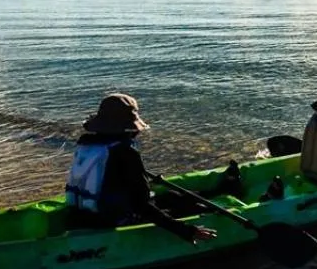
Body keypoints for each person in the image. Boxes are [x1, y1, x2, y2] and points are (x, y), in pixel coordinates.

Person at [65, 93, 216, 244]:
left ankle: (220, 189)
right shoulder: (126, 153)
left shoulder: (86, 145)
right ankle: (216, 206)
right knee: (182, 207)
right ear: (130, 128)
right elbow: (143, 206)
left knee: (171, 196)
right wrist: (186, 231)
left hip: (82, 215)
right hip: (111, 221)